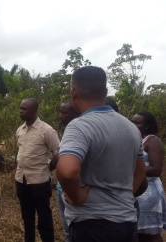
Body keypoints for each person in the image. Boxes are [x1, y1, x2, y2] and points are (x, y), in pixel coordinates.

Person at [56, 66, 147, 242]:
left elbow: (67, 172)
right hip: (127, 222)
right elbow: (140, 172)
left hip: (93, 225)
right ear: (105, 92)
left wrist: (77, 197)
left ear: (73, 93)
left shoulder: (79, 126)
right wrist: (125, 198)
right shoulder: (130, 128)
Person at [15, 98, 60, 242]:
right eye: (20, 108)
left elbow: (58, 154)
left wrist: (48, 168)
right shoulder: (20, 130)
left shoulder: (47, 130)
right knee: (27, 216)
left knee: (44, 216)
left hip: (39, 181)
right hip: (21, 179)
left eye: (25, 109)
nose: (21, 111)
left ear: (34, 110)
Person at [131, 111, 166, 242]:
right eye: (132, 121)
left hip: (149, 192)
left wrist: (131, 170)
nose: (132, 124)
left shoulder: (152, 141)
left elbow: (156, 169)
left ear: (146, 126)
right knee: (139, 232)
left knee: (151, 233)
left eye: (137, 122)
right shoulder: (135, 140)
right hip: (137, 191)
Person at [56, 99, 78, 242]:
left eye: (64, 112)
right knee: (67, 230)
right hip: (61, 188)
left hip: (72, 190)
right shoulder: (67, 132)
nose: (60, 115)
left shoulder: (80, 132)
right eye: (60, 112)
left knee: (75, 230)